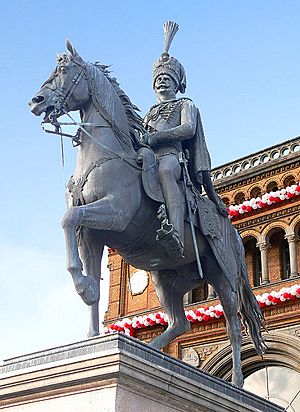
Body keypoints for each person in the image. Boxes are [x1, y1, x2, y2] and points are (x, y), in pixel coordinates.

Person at [142, 21, 228, 257]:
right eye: (158, 78)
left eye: (167, 78)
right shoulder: (149, 112)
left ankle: (177, 232)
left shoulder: (185, 104)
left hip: (172, 157)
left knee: (165, 172)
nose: (162, 81)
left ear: (177, 84)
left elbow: (188, 129)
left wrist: (158, 136)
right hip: (148, 156)